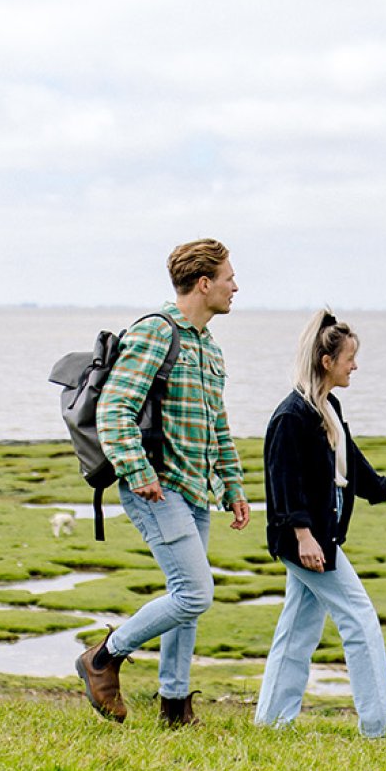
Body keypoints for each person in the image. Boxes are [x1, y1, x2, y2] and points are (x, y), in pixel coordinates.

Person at [75, 238, 252, 727]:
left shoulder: (208, 345)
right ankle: (102, 659)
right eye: (229, 277)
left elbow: (217, 423)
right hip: (156, 486)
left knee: (185, 600)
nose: (235, 286)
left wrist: (233, 486)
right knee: (195, 593)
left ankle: (174, 706)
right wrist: (138, 472)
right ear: (203, 283)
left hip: (195, 490)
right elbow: (114, 411)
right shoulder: (156, 333)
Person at [255, 309, 386, 739]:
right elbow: (283, 485)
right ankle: (383, 726)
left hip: (319, 532)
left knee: (298, 629)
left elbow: (350, 462)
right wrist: (304, 538)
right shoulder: (291, 416)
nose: (355, 365)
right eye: (350, 358)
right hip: (306, 537)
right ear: (326, 361)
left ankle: (271, 723)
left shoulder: (326, 407)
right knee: (360, 618)